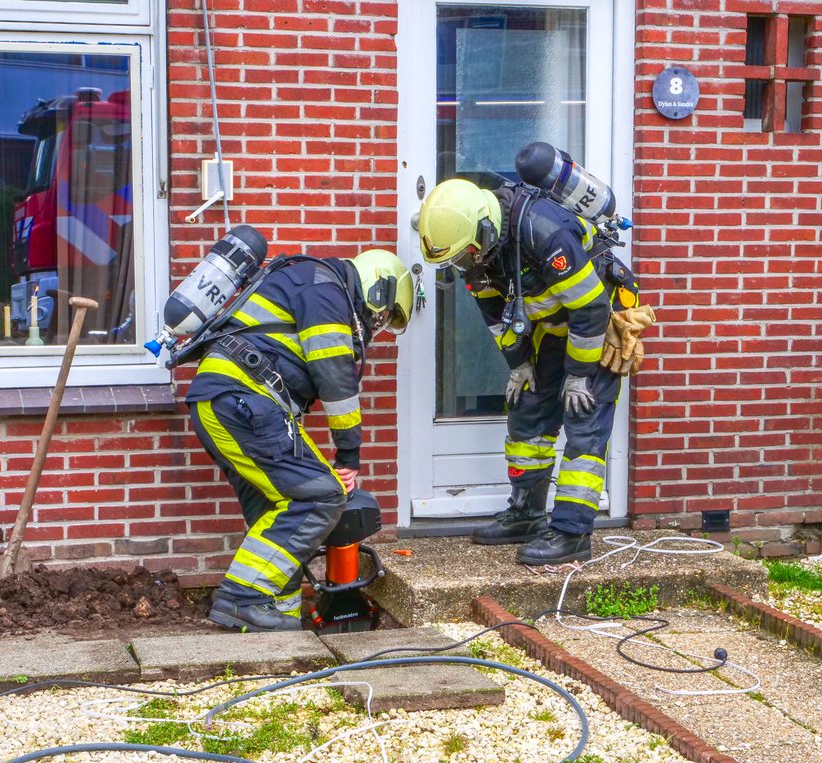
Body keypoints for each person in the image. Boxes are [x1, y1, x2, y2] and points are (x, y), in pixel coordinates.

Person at [416, 177, 653, 565]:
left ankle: (571, 532)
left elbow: (590, 309)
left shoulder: (543, 232)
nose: (464, 265)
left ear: (486, 229)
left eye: (464, 256)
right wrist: (519, 363)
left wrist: (578, 374)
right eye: (457, 260)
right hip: (555, 326)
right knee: (528, 411)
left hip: (599, 320)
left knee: (584, 420)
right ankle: (526, 514)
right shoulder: (478, 252)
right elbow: (497, 318)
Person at [184, 248, 415, 632]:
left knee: (275, 507)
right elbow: (335, 377)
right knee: (321, 494)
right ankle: (242, 599)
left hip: (222, 403)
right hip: (244, 401)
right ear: (379, 289)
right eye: (385, 314)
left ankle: (279, 613)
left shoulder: (311, 282)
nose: (378, 324)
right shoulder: (327, 294)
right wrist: (348, 456)